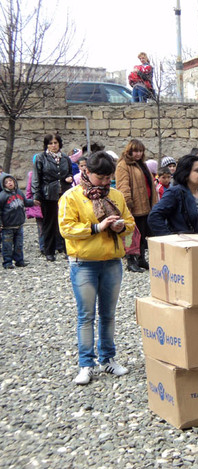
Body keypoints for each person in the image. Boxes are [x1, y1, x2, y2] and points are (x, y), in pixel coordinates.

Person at [58, 151, 135, 385]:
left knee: (108, 315)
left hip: (112, 261)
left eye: (107, 178)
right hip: (83, 263)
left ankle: (108, 359)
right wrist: (97, 227)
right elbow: (66, 228)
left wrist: (121, 227)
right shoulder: (71, 197)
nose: (104, 182)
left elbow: (130, 222)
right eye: (100, 177)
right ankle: (86, 364)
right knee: (86, 315)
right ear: (87, 172)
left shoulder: (116, 196)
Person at [148, 155, 198, 236]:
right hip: (187, 246)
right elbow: (154, 216)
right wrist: (170, 238)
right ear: (186, 173)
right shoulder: (175, 193)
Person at [115, 139, 158, 273]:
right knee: (130, 235)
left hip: (145, 206)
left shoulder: (141, 165)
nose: (138, 154)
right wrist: (128, 204)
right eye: (135, 151)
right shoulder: (123, 165)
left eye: (140, 151)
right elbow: (123, 186)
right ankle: (130, 260)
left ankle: (140, 259)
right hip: (133, 207)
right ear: (129, 151)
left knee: (142, 234)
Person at [31, 133, 73, 262]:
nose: (53, 146)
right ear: (46, 145)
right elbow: (36, 178)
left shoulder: (65, 158)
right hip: (47, 194)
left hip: (64, 194)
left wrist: (69, 178)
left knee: (66, 221)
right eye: (50, 143)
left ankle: (68, 250)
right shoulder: (40, 158)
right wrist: (36, 195)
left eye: (55, 143)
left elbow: (70, 172)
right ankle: (49, 251)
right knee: (49, 224)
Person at [0, 173, 38, 268]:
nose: (9, 183)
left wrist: (33, 202)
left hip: (19, 224)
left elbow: (25, 202)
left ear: (14, 182)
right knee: (7, 245)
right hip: (7, 226)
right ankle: (7, 262)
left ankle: (19, 260)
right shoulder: (2, 196)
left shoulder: (19, 193)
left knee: (19, 244)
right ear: (3, 185)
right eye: (7, 182)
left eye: (11, 181)